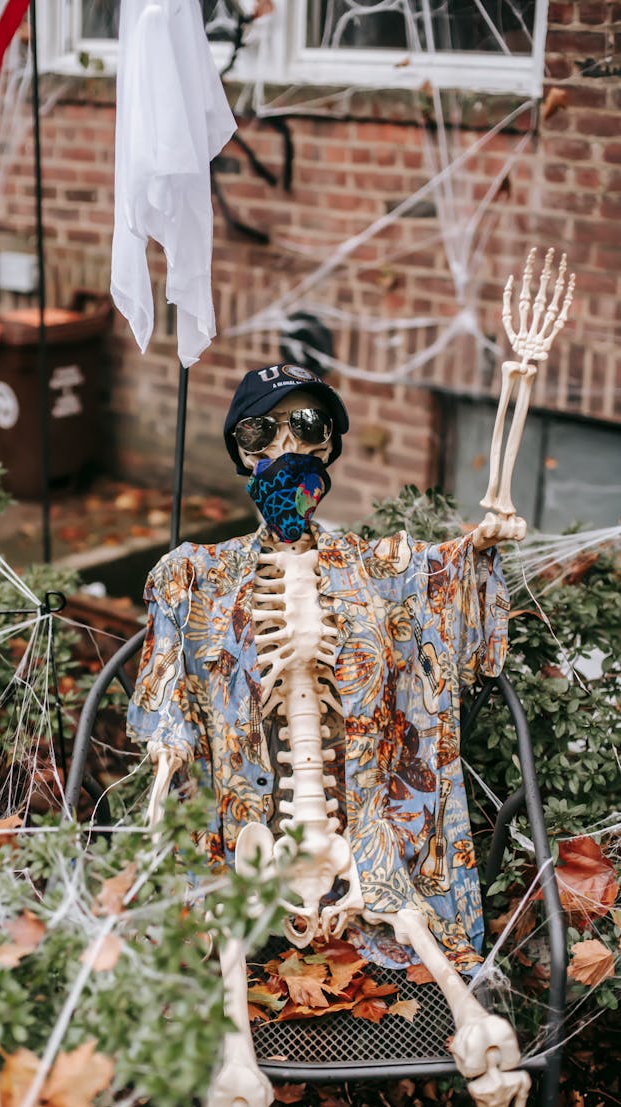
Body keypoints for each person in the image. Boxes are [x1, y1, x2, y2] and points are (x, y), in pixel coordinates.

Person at [127, 362, 515, 973]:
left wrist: (481, 544)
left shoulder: (370, 564)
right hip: (246, 837)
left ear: (328, 445)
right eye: (261, 433)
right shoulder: (195, 572)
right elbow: (168, 682)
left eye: (305, 425)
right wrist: (164, 767)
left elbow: (438, 571)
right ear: (240, 448)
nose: (285, 447)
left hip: (360, 834)